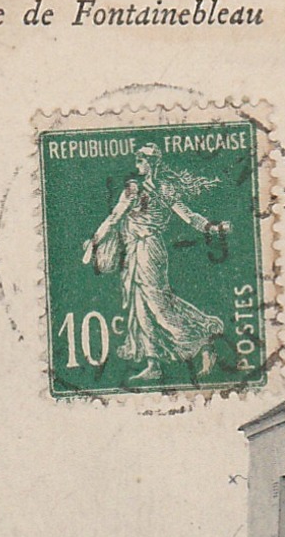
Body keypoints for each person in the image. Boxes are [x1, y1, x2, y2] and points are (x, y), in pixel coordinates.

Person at [82, 143, 228, 383]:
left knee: (159, 305)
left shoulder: (160, 189)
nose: (136, 165)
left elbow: (188, 215)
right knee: (140, 306)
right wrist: (96, 240)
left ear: (150, 163)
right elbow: (114, 217)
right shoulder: (134, 189)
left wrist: (212, 228)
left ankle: (201, 343)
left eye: (140, 161)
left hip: (150, 249)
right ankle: (153, 364)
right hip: (133, 251)